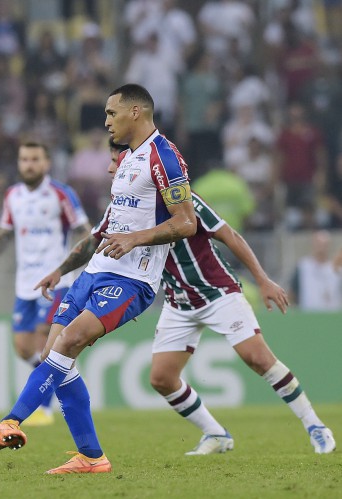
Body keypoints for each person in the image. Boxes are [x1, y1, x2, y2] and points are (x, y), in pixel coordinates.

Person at [0, 84, 197, 475]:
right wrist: (60, 270)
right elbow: (102, 231)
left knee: (68, 341)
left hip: (133, 280)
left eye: (111, 113)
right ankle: (92, 457)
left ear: (135, 112)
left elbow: (187, 222)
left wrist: (136, 238)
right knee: (57, 355)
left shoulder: (164, 157)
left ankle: (12, 419)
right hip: (93, 273)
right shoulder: (126, 161)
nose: (106, 121)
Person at [114, 141, 333, 454]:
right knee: (162, 378)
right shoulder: (126, 213)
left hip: (216, 291)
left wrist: (262, 279)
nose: (117, 173)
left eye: (122, 168)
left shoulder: (183, 200)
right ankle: (216, 434)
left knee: (257, 358)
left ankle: (315, 425)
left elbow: (229, 235)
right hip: (179, 302)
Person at [0, 141, 91, 426]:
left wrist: (90, 261)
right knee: (23, 348)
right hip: (24, 283)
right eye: (24, 159)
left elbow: (85, 230)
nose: (28, 164)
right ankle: (63, 376)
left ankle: (45, 409)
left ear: (46, 163)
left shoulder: (61, 194)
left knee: (44, 340)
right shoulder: (13, 195)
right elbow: (4, 233)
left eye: (35, 159)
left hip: (55, 281)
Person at [290, 230, 342, 311]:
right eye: (318, 244)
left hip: (332, 316)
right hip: (309, 316)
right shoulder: (303, 267)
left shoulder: (337, 269)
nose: (321, 248)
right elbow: (293, 292)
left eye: (324, 244)